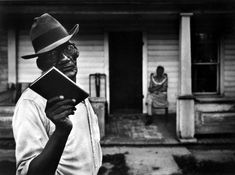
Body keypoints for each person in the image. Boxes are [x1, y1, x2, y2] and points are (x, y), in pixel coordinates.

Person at [12, 13, 102, 175]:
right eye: (53, 54)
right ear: (42, 63)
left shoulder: (77, 94)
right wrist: (61, 131)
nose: (65, 59)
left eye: (67, 48)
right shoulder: (31, 103)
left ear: (75, 51)